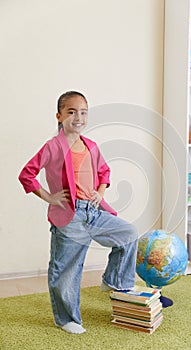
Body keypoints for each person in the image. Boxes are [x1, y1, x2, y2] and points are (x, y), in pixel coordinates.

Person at [18, 91, 138, 334]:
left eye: (83, 112)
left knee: (129, 233)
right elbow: (27, 174)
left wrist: (100, 193)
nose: (78, 117)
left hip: (93, 211)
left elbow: (104, 172)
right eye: (71, 112)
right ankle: (66, 319)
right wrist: (49, 197)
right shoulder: (53, 146)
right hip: (70, 216)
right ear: (59, 116)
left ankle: (113, 281)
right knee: (67, 269)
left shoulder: (91, 146)